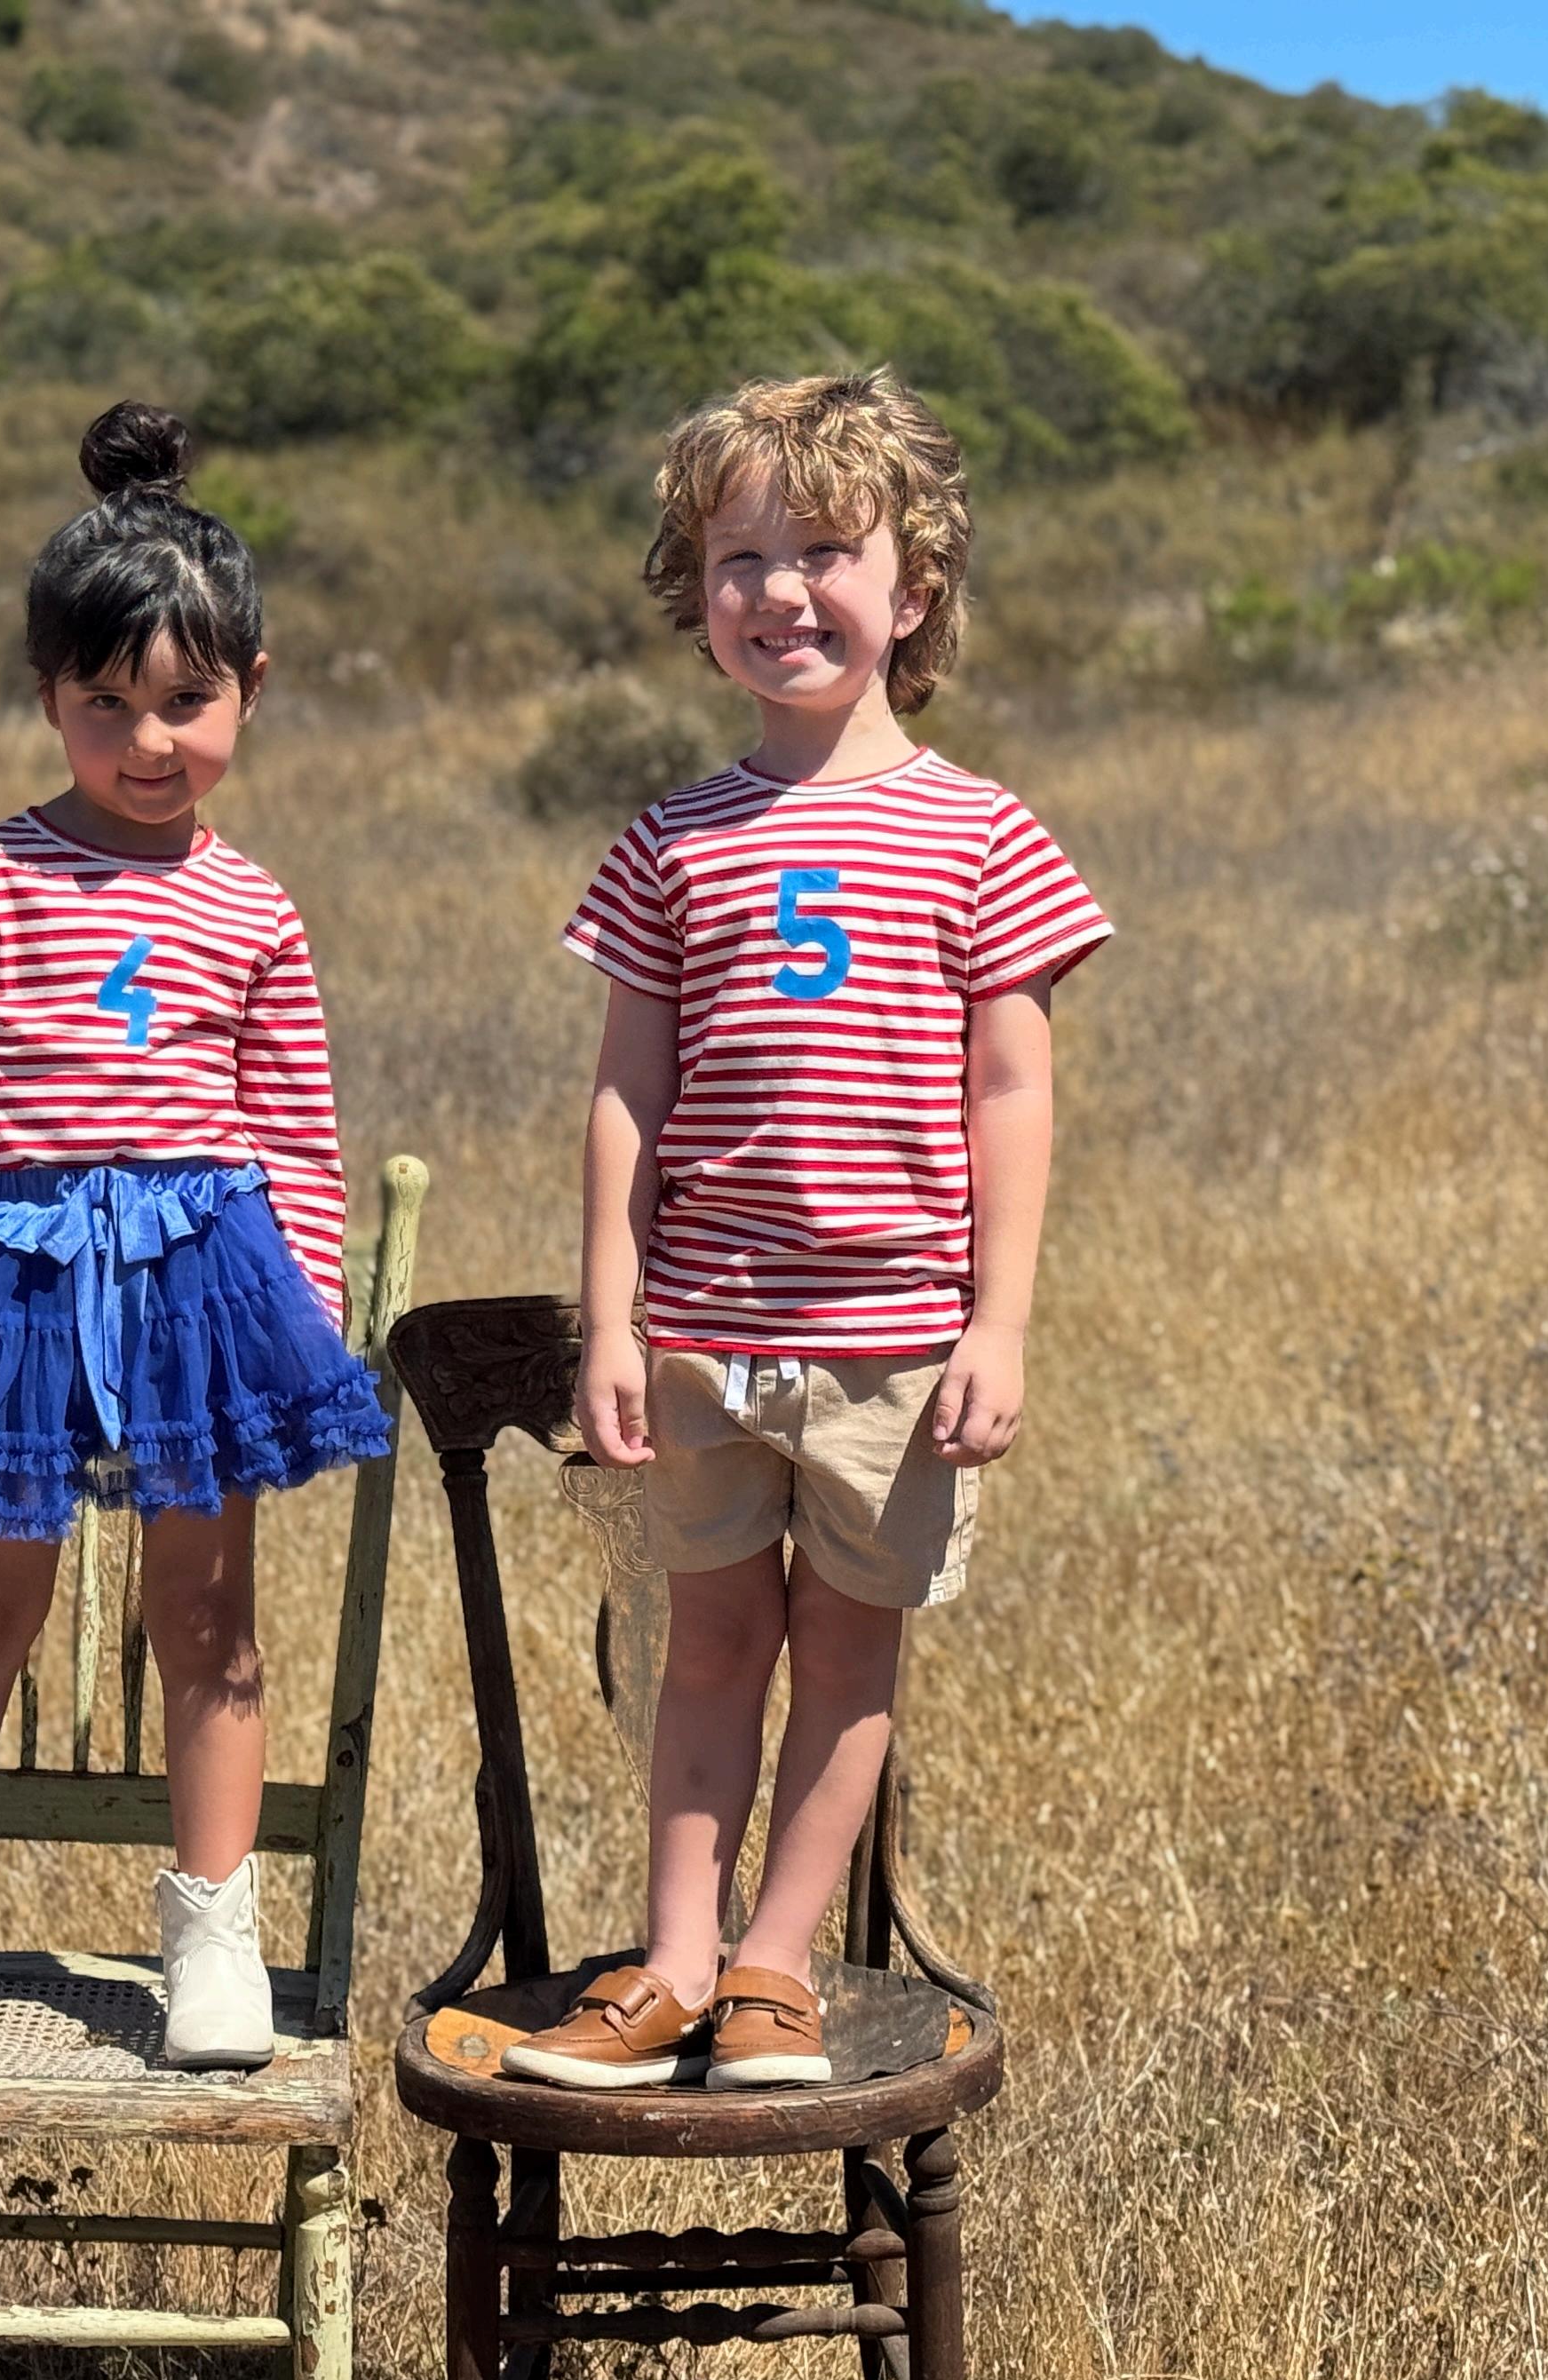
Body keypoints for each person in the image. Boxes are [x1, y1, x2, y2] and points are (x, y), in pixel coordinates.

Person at [507, 369, 1111, 2094]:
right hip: (705, 1335)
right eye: (740, 559)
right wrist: (612, 1322)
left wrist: (999, 1327)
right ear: (697, 596)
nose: (781, 592)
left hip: (895, 1348)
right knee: (706, 1649)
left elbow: (1013, 1092)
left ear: (912, 591)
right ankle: (673, 1966)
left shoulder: (981, 834)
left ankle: (776, 1969)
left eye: (825, 552)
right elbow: (627, 1095)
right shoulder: (671, 842)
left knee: (849, 1657)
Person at [0, 401, 389, 2070]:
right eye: (106, 703)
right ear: (49, 694)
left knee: (208, 1619)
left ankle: (214, 1937)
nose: (148, 739)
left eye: (187, 701)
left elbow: (296, 1135)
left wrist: (304, 1325)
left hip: (203, 1289)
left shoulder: (254, 905)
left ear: (253, 689)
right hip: (19, 1290)